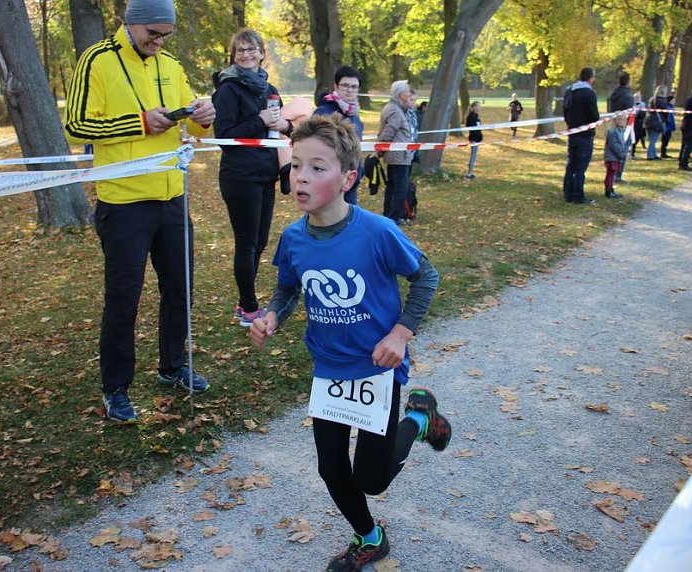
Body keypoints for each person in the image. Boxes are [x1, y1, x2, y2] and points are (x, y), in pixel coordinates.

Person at [248, 113, 449, 572]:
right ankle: (370, 537)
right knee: (332, 467)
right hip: (330, 368)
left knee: (372, 479)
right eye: (297, 165)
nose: (301, 176)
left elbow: (427, 276)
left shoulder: (377, 231)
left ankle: (418, 417)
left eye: (318, 167)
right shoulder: (294, 236)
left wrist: (401, 333)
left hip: (377, 367)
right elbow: (289, 286)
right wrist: (272, 315)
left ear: (348, 179)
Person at [65, 0, 215, 423]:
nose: (160, 41)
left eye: (166, 34)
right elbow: (76, 125)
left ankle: (172, 367)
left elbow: (193, 123)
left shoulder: (171, 65)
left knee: (180, 290)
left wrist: (204, 115)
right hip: (124, 203)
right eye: (153, 32)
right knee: (123, 299)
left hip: (171, 197)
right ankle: (115, 388)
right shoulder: (96, 60)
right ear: (128, 23)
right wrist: (139, 122)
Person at [212, 28, 292, 327]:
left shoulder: (268, 89)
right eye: (239, 51)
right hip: (239, 177)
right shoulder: (228, 89)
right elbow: (224, 136)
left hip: (264, 175)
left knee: (259, 242)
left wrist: (284, 124)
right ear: (234, 56)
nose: (245, 54)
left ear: (261, 53)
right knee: (246, 243)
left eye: (251, 49)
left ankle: (244, 300)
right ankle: (248, 307)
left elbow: (282, 131)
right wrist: (258, 120)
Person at [313, 65, 364, 205]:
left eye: (354, 87)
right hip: (327, 181)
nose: (349, 90)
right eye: (345, 85)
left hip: (350, 182)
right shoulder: (323, 112)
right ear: (336, 86)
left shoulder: (355, 116)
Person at [378, 80, 414, 225]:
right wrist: (379, 149)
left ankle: (389, 216)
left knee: (393, 187)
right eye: (408, 91)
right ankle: (394, 218)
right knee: (400, 188)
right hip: (398, 156)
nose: (409, 93)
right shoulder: (394, 110)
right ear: (401, 94)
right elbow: (388, 132)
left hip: (397, 155)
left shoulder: (394, 108)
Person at [562, 67, 600, 205]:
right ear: (590, 78)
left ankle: (568, 193)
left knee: (571, 163)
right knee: (580, 167)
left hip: (572, 132)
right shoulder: (589, 94)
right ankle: (578, 195)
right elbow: (594, 115)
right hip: (585, 134)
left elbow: (565, 112)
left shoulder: (569, 91)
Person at [607, 72, 635, 181]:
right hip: (624, 126)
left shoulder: (613, 94)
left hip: (613, 124)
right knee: (621, 150)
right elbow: (630, 113)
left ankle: (612, 173)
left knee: (612, 150)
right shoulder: (627, 96)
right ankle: (617, 174)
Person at [603, 114, 627, 199]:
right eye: (619, 119)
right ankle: (608, 191)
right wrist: (621, 155)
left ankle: (610, 188)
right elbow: (614, 146)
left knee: (612, 174)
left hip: (617, 157)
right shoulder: (613, 132)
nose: (620, 121)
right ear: (614, 120)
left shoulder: (621, 131)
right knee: (610, 174)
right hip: (612, 157)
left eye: (622, 120)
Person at [644, 85, 668, 160]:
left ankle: (653, 154)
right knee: (653, 140)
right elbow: (665, 112)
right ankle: (650, 155)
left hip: (649, 120)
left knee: (652, 139)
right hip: (657, 121)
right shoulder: (663, 100)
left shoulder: (652, 99)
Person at [465, 101, 483, 179]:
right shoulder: (472, 116)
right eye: (479, 106)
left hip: (477, 139)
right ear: (474, 107)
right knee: (473, 155)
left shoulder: (475, 116)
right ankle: (469, 173)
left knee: (474, 155)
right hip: (474, 139)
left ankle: (471, 172)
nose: (480, 107)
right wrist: (478, 136)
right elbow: (472, 129)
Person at [660, 92, 676, 158]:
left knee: (667, 140)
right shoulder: (667, 107)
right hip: (667, 126)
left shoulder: (672, 107)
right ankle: (663, 153)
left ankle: (664, 152)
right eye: (673, 100)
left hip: (670, 126)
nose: (674, 101)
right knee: (665, 140)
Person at [631, 93, 647, 158]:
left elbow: (644, 114)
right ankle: (632, 153)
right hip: (633, 123)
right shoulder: (631, 104)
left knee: (639, 137)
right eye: (636, 97)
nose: (637, 99)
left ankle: (642, 146)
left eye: (639, 97)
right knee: (633, 138)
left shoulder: (643, 105)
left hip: (640, 123)